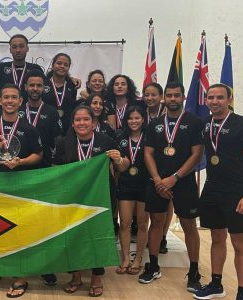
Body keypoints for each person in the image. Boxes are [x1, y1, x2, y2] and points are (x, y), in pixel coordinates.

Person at [53, 105, 129, 297]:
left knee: (97, 236)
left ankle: (96, 277)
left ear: (93, 122)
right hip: (73, 197)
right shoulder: (63, 142)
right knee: (74, 236)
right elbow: (56, 170)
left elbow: (124, 166)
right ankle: (76, 276)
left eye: (86, 119)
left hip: (100, 197)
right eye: (77, 120)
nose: (82, 123)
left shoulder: (106, 141)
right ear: (72, 123)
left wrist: (119, 160)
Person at [0, 83, 43, 297]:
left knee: (18, 231)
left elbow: (39, 155)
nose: (10, 101)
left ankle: (20, 277)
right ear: (0, 100)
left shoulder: (29, 128)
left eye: (14, 97)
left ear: (20, 101)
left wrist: (21, 162)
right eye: (6, 97)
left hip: (19, 185)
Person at [140, 81, 203, 293]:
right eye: (169, 95)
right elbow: (147, 153)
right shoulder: (154, 124)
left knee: (189, 226)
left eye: (177, 95)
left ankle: (194, 271)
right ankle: (154, 265)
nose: (173, 99)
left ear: (183, 97)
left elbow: (197, 154)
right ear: (164, 98)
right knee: (156, 222)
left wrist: (174, 178)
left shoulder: (194, 122)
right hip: (157, 183)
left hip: (183, 182)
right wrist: (158, 179)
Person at [194, 84, 243, 300]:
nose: (214, 101)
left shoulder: (242, 124)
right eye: (210, 97)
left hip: (236, 191)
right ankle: (216, 284)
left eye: (219, 97)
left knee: (238, 242)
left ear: (229, 99)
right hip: (212, 188)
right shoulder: (206, 124)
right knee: (217, 237)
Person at [115, 106, 150, 276]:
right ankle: (125, 259)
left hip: (145, 185)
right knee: (125, 223)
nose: (134, 121)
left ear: (143, 119)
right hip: (126, 184)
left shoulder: (150, 137)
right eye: (130, 118)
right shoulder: (121, 138)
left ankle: (138, 259)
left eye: (137, 118)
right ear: (126, 120)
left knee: (143, 224)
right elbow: (119, 166)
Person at [142, 82, 171, 254]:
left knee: (167, 200)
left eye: (154, 95)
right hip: (143, 160)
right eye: (147, 94)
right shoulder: (139, 110)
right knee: (147, 200)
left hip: (165, 162)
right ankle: (146, 233)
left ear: (161, 97)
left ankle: (163, 236)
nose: (150, 98)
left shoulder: (170, 115)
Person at [19, 69, 63, 168]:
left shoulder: (52, 112)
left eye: (39, 85)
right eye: (31, 85)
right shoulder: (18, 111)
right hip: (20, 164)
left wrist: (55, 162)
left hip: (44, 166)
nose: (35, 89)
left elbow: (58, 140)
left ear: (43, 88)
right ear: (25, 87)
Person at [0, 34, 44, 101]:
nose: (18, 50)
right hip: (6, 109)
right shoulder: (0, 68)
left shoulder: (35, 69)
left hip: (29, 110)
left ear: (27, 48)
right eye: (14, 47)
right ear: (10, 50)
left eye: (21, 46)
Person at [43, 53, 79, 134]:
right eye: (59, 63)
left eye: (66, 65)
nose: (62, 66)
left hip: (67, 128)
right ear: (53, 65)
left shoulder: (72, 85)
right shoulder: (44, 83)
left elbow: (72, 105)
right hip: (47, 125)